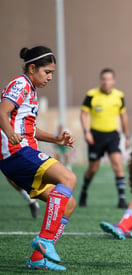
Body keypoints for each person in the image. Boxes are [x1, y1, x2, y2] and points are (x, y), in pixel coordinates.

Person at [0, 46, 77, 271]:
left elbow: (29, 129)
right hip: (16, 153)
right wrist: (9, 133)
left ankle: (37, 258)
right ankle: (44, 239)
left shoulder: (31, 90)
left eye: (52, 73)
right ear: (32, 68)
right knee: (68, 178)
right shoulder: (21, 84)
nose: (50, 77)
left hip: (22, 154)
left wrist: (56, 139)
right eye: (47, 72)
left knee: (68, 204)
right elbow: (2, 112)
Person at [79, 68, 130, 208]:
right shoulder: (91, 95)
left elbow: (123, 117)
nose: (106, 82)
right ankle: (83, 193)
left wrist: (127, 136)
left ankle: (121, 199)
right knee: (93, 169)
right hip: (95, 136)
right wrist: (86, 132)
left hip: (113, 135)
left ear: (113, 81)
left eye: (109, 79)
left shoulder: (119, 96)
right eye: (104, 79)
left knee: (118, 165)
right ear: (101, 80)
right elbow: (83, 114)